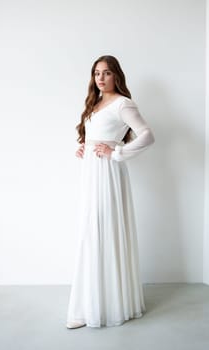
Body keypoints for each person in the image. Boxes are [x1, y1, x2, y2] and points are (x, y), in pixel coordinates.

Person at [66, 55, 155, 329]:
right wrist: (84, 145)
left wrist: (117, 152)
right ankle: (92, 302)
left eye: (106, 73)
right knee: (90, 232)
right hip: (91, 174)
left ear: (116, 75)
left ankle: (106, 305)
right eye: (96, 73)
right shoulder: (94, 104)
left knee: (105, 230)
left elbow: (147, 135)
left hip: (108, 174)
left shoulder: (123, 104)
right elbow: (95, 137)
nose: (100, 78)